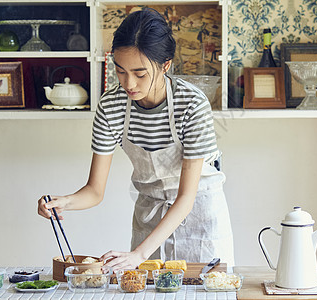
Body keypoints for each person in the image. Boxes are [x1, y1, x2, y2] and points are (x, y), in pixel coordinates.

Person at [37, 8, 234, 271]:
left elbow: (186, 197)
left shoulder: (192, 104)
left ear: (165, 65)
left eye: (140, 74)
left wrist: (140, 254)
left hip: (199, 217)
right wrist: (64, 202)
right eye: (120, 71)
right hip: (149, 218)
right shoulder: (111, 106)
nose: (129, 83)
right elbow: (94, 191)